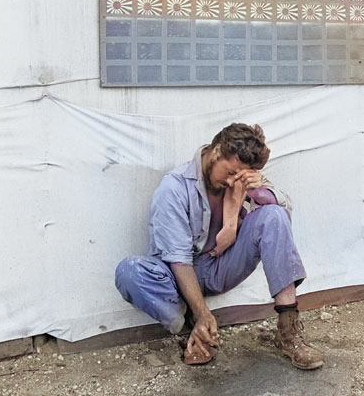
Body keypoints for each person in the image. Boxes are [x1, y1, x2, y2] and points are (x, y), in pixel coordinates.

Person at [115, 122, 324, 370]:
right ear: (215, 152)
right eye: (231, 172)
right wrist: (202, 313)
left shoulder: (239, 181)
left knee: (274, 216)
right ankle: (191, 328)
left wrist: (256, 188)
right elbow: (179, 259)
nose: (234, 180)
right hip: (176, 274)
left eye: (241, 175)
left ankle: (288, 330)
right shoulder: (175, 187)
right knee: (130, 272)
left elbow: (284, 209)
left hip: (218, 267)